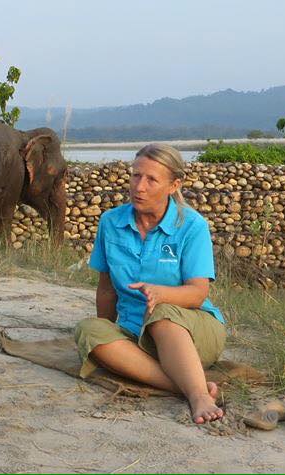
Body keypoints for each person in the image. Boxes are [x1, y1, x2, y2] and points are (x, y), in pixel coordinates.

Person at [73, 143, 227, 424]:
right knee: (88, 331)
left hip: (192, 332)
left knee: (161, 311)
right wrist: (109, 333)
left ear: (174, 185)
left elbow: (197, 293)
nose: (139, 187)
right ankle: (187, 386)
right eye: (135, 176)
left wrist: (161, 294)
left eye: (151, 179)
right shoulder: (111, 222)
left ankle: (198, 398)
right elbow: (106, 288)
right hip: (135, 333)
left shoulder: (192, 226)